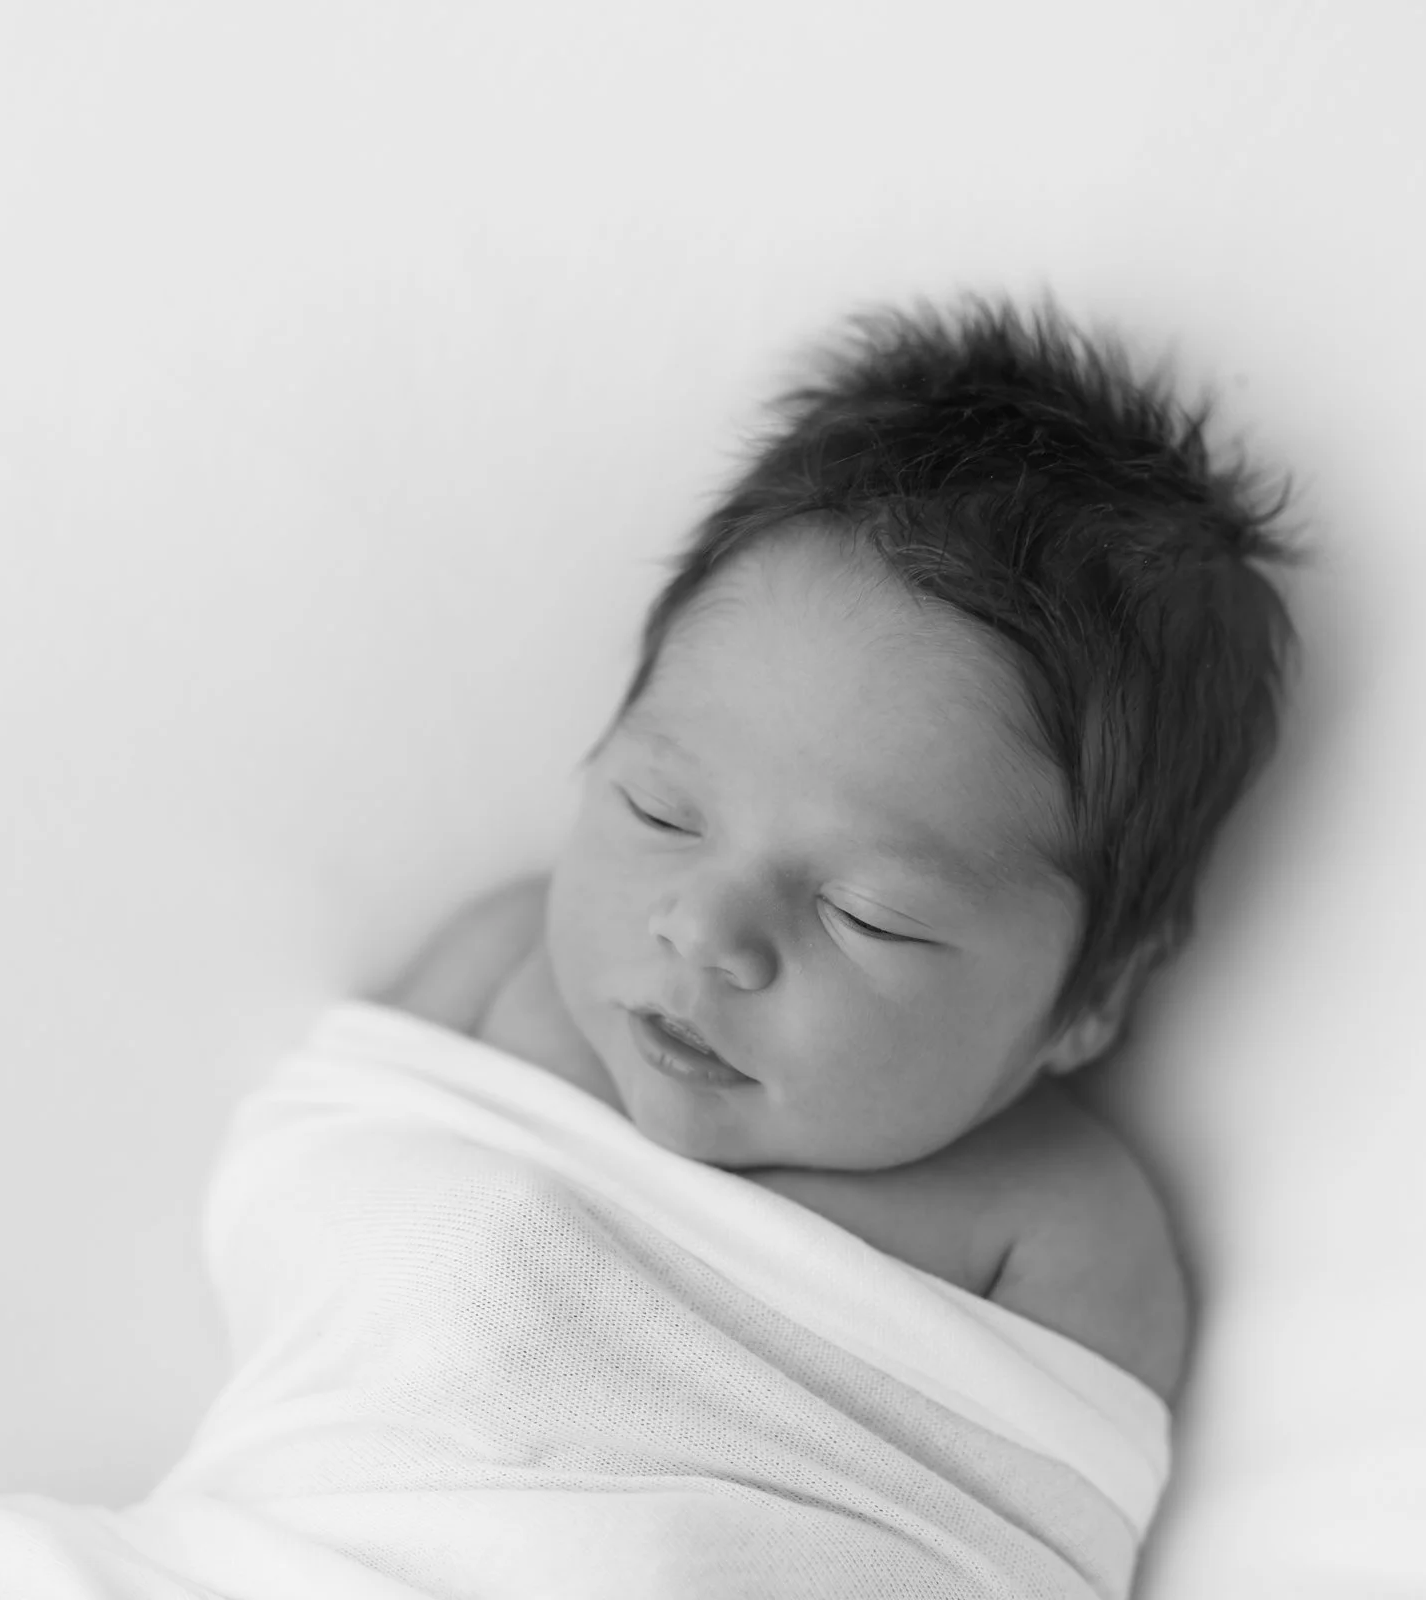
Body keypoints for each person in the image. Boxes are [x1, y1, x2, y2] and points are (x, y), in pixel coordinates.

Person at [382, 296, 1295, 1407]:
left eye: (868, 912)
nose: (708, 930)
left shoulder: (1049, 1221)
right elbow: (309, 1215)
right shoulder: (502, 968)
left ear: (1088, 999)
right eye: (662, 810)